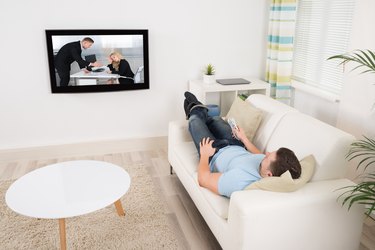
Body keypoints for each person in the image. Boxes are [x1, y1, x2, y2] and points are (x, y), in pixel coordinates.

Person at [184, 91, 302, 198]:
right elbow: (258, 154)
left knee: (194, 122)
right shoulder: (268, 166)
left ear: (269, 175)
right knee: (216, 120)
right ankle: (201, 111)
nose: (266, 153)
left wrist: (204, 155)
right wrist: (244, 138)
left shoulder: (239, 181)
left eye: (268, 156)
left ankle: (195, 108)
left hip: (213, 152)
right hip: (235, 143)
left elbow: (203, 180)